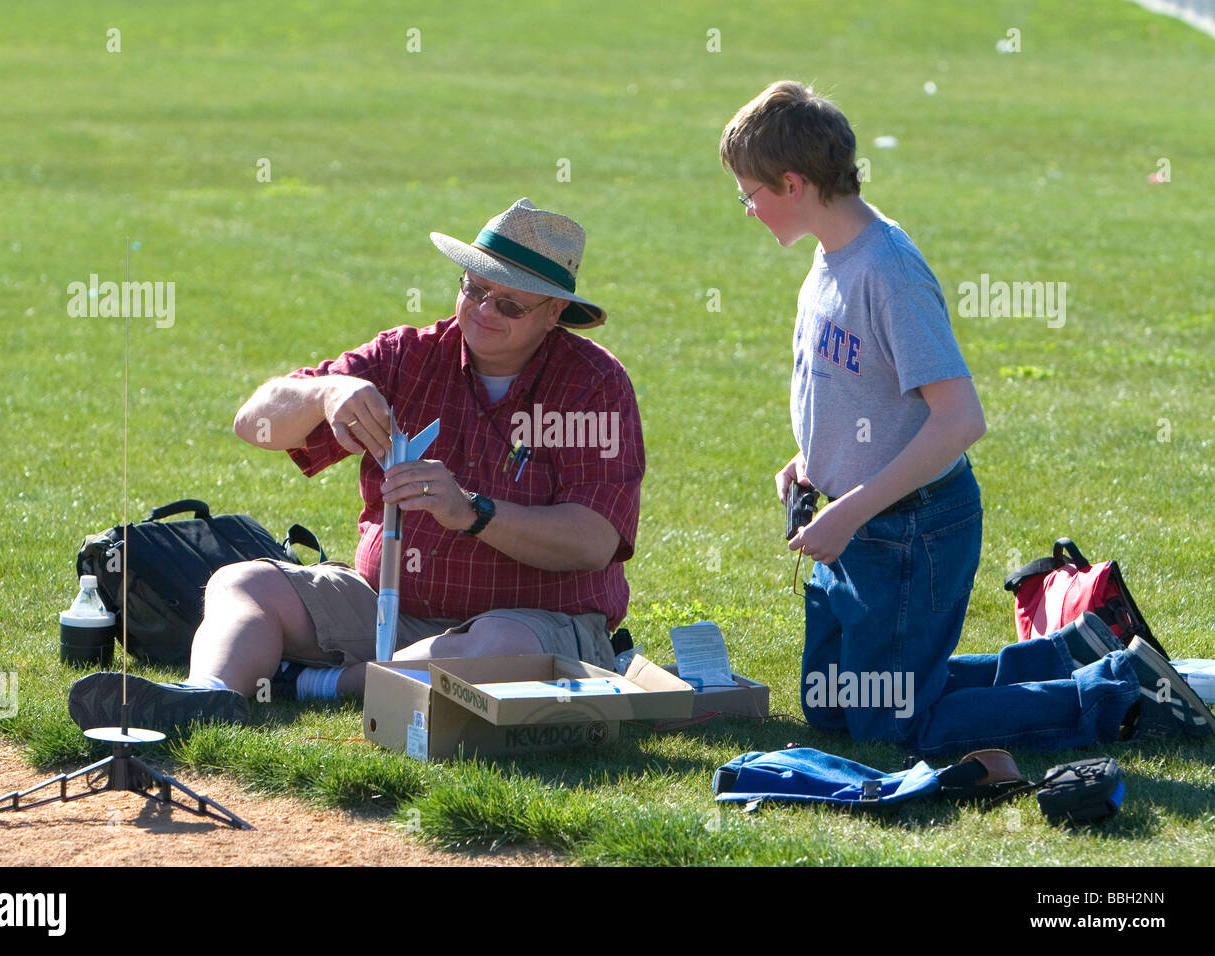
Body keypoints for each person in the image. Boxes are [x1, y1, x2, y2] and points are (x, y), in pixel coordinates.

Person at [719, 80, 1212, 754]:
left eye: (749, 193)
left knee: (895, 725)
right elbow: (856, 387)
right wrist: (812, 462)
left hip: (909, 529)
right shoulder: (830, 257)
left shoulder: (889, 270)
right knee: (834, 705)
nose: (746, 208)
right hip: (863, 520)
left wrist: (850, 510)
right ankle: (1073, 653)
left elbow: (959, 421)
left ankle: (1121, 692)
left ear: (794, 182)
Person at [69, 198, 644, 730]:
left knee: (495, 647)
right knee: (241, 582)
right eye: (473, 289)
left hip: (532, 621)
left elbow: (593, 540)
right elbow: (254, 422)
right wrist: (327, 394)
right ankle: (206, 696)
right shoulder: (407, 355)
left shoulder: (594, 385)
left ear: (556, 312)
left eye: (511, 302)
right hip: (387, 604)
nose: (484, 310)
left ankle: (316, 682)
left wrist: (474, 513)